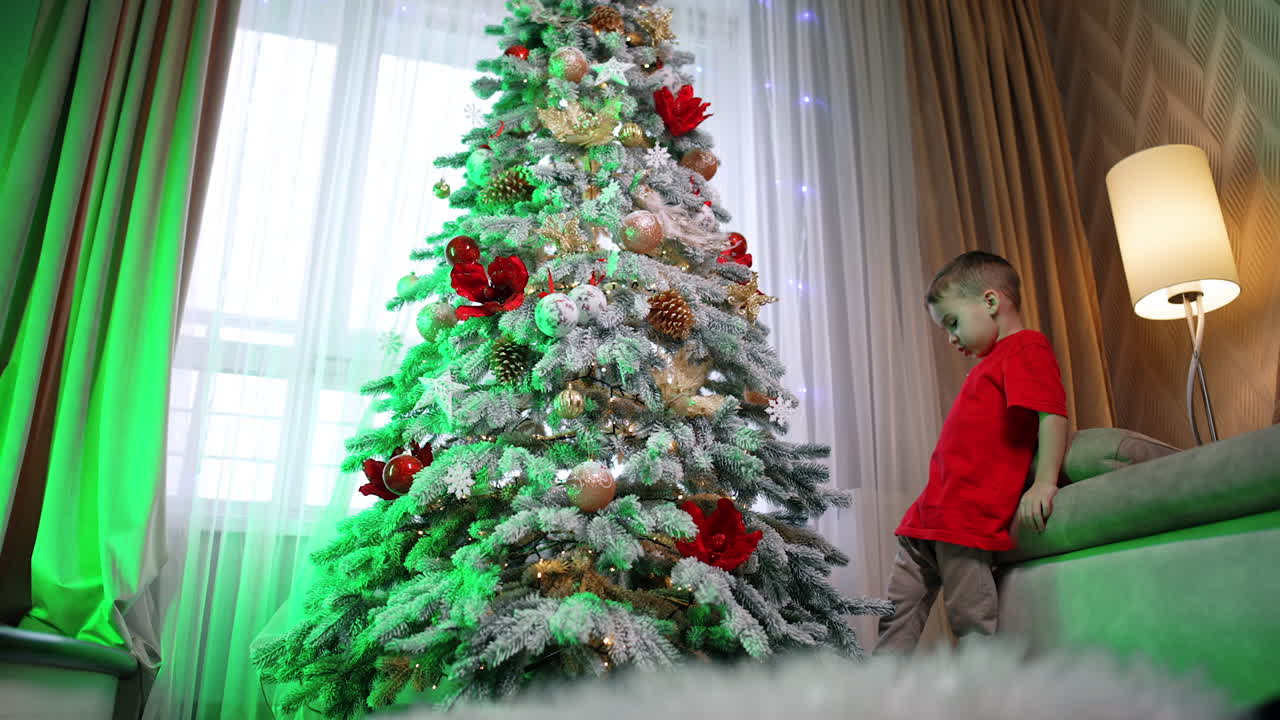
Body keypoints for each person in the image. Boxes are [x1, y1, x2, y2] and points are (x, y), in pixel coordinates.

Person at [875, 250, 1069, 654]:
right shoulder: (988, 363)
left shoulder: (1025, 349)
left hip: (967, 517)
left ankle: (981, 697)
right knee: (896, 613)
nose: (951, 338)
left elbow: (1051, 415)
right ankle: (880, 694)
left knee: (970, 619)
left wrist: (1045, 482)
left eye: (953, 323)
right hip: (928, 514)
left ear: (991, 302)